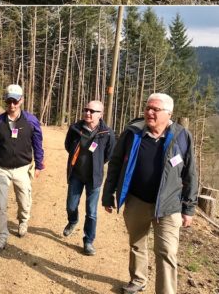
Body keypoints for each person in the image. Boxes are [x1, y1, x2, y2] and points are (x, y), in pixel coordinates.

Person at [102, 93, 197, 294]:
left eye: (155, 109)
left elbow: (190, 173)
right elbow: (116, 164)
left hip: (170, 206)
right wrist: (108, 193)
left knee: (166, 252)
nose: (149, 112)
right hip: (137, 201)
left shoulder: (181, 135)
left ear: (169, 113)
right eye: (147, 108)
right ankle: (138, 280)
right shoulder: (133, 132)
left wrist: (189, 207)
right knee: (137, 243)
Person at [0, 84, 44, 253]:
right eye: (9, 101)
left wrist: (39, 164)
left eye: (15, 101)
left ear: (21, 100)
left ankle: (23, 221)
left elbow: (38, 144)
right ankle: (1, 236)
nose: (12, 105)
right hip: (2, 168)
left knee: (24, 201)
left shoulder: (31, 121)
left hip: (23, 168)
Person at [63, 100, 115, 256]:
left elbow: (109, 154)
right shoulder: (75, 128)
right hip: (76, 175)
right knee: (71, 206)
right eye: (86, 110)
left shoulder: (107, 133)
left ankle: (88, 241)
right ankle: (72, 221)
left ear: (101, 114)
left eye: (92, 111)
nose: (88, 113)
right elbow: (68, 146)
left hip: (94, 178)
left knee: (91, 212)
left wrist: (97, 164)